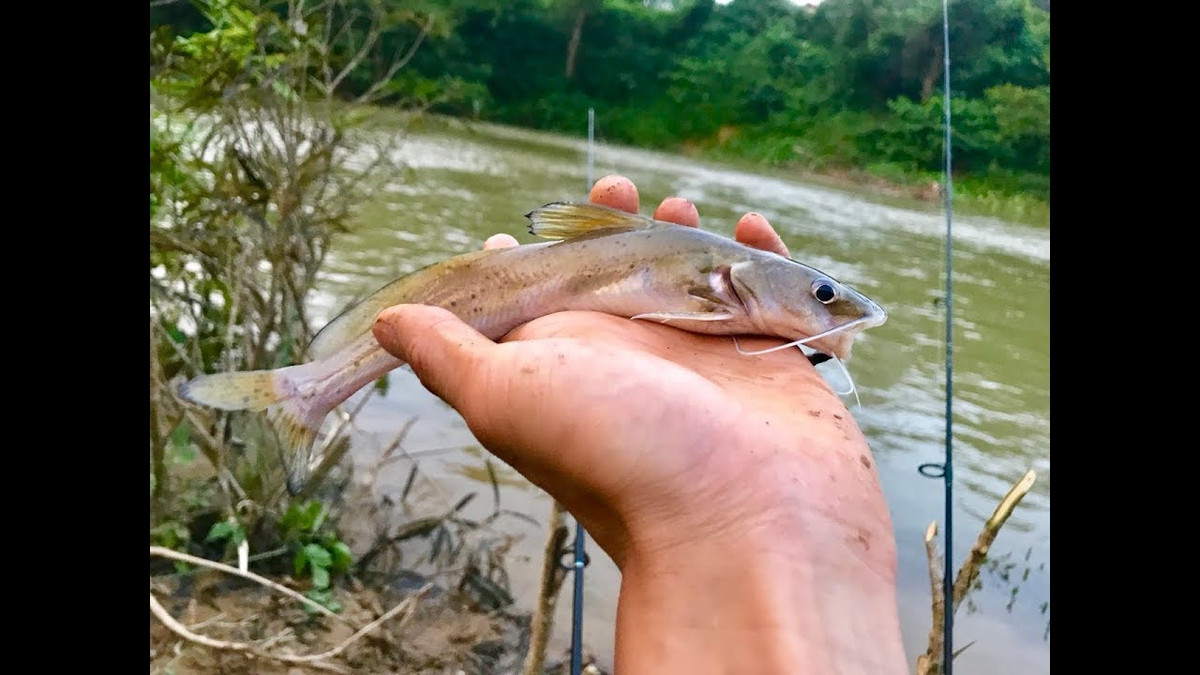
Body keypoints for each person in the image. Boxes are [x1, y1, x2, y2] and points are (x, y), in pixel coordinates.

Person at [371, 175, 908, 674]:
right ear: (737, 279)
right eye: (823, 297)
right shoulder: (717, 274)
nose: (834, 311)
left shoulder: (737, 295)